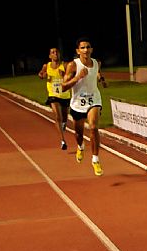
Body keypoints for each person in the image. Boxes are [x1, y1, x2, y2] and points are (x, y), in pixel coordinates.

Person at [61, 37, 107, 176]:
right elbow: (63, 87)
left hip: (94, 99)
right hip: (77, 103)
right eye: (82, 47)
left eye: (88, 47)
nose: (85, 50)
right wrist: (78, 77)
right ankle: (80, 146)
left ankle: (95, 160)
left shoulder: (97, 62)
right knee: (79, 134)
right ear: (78, 51)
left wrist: (102, 80)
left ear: (91, 49)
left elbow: (97, 73)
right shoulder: (73, 65)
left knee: (93, 127)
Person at [38, 48, 71, 150]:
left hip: (64, 95)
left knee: (64, 118)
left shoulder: (65, 65)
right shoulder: (46, 66)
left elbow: (71, 76)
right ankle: (63, 141)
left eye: (57, 52)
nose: (55, 54)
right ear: (50, 56)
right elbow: (40, 74)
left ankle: (63, 124)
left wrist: (64, 75)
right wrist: (43, 75)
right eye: (53, 52)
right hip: (53, 94)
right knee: (57, 117)